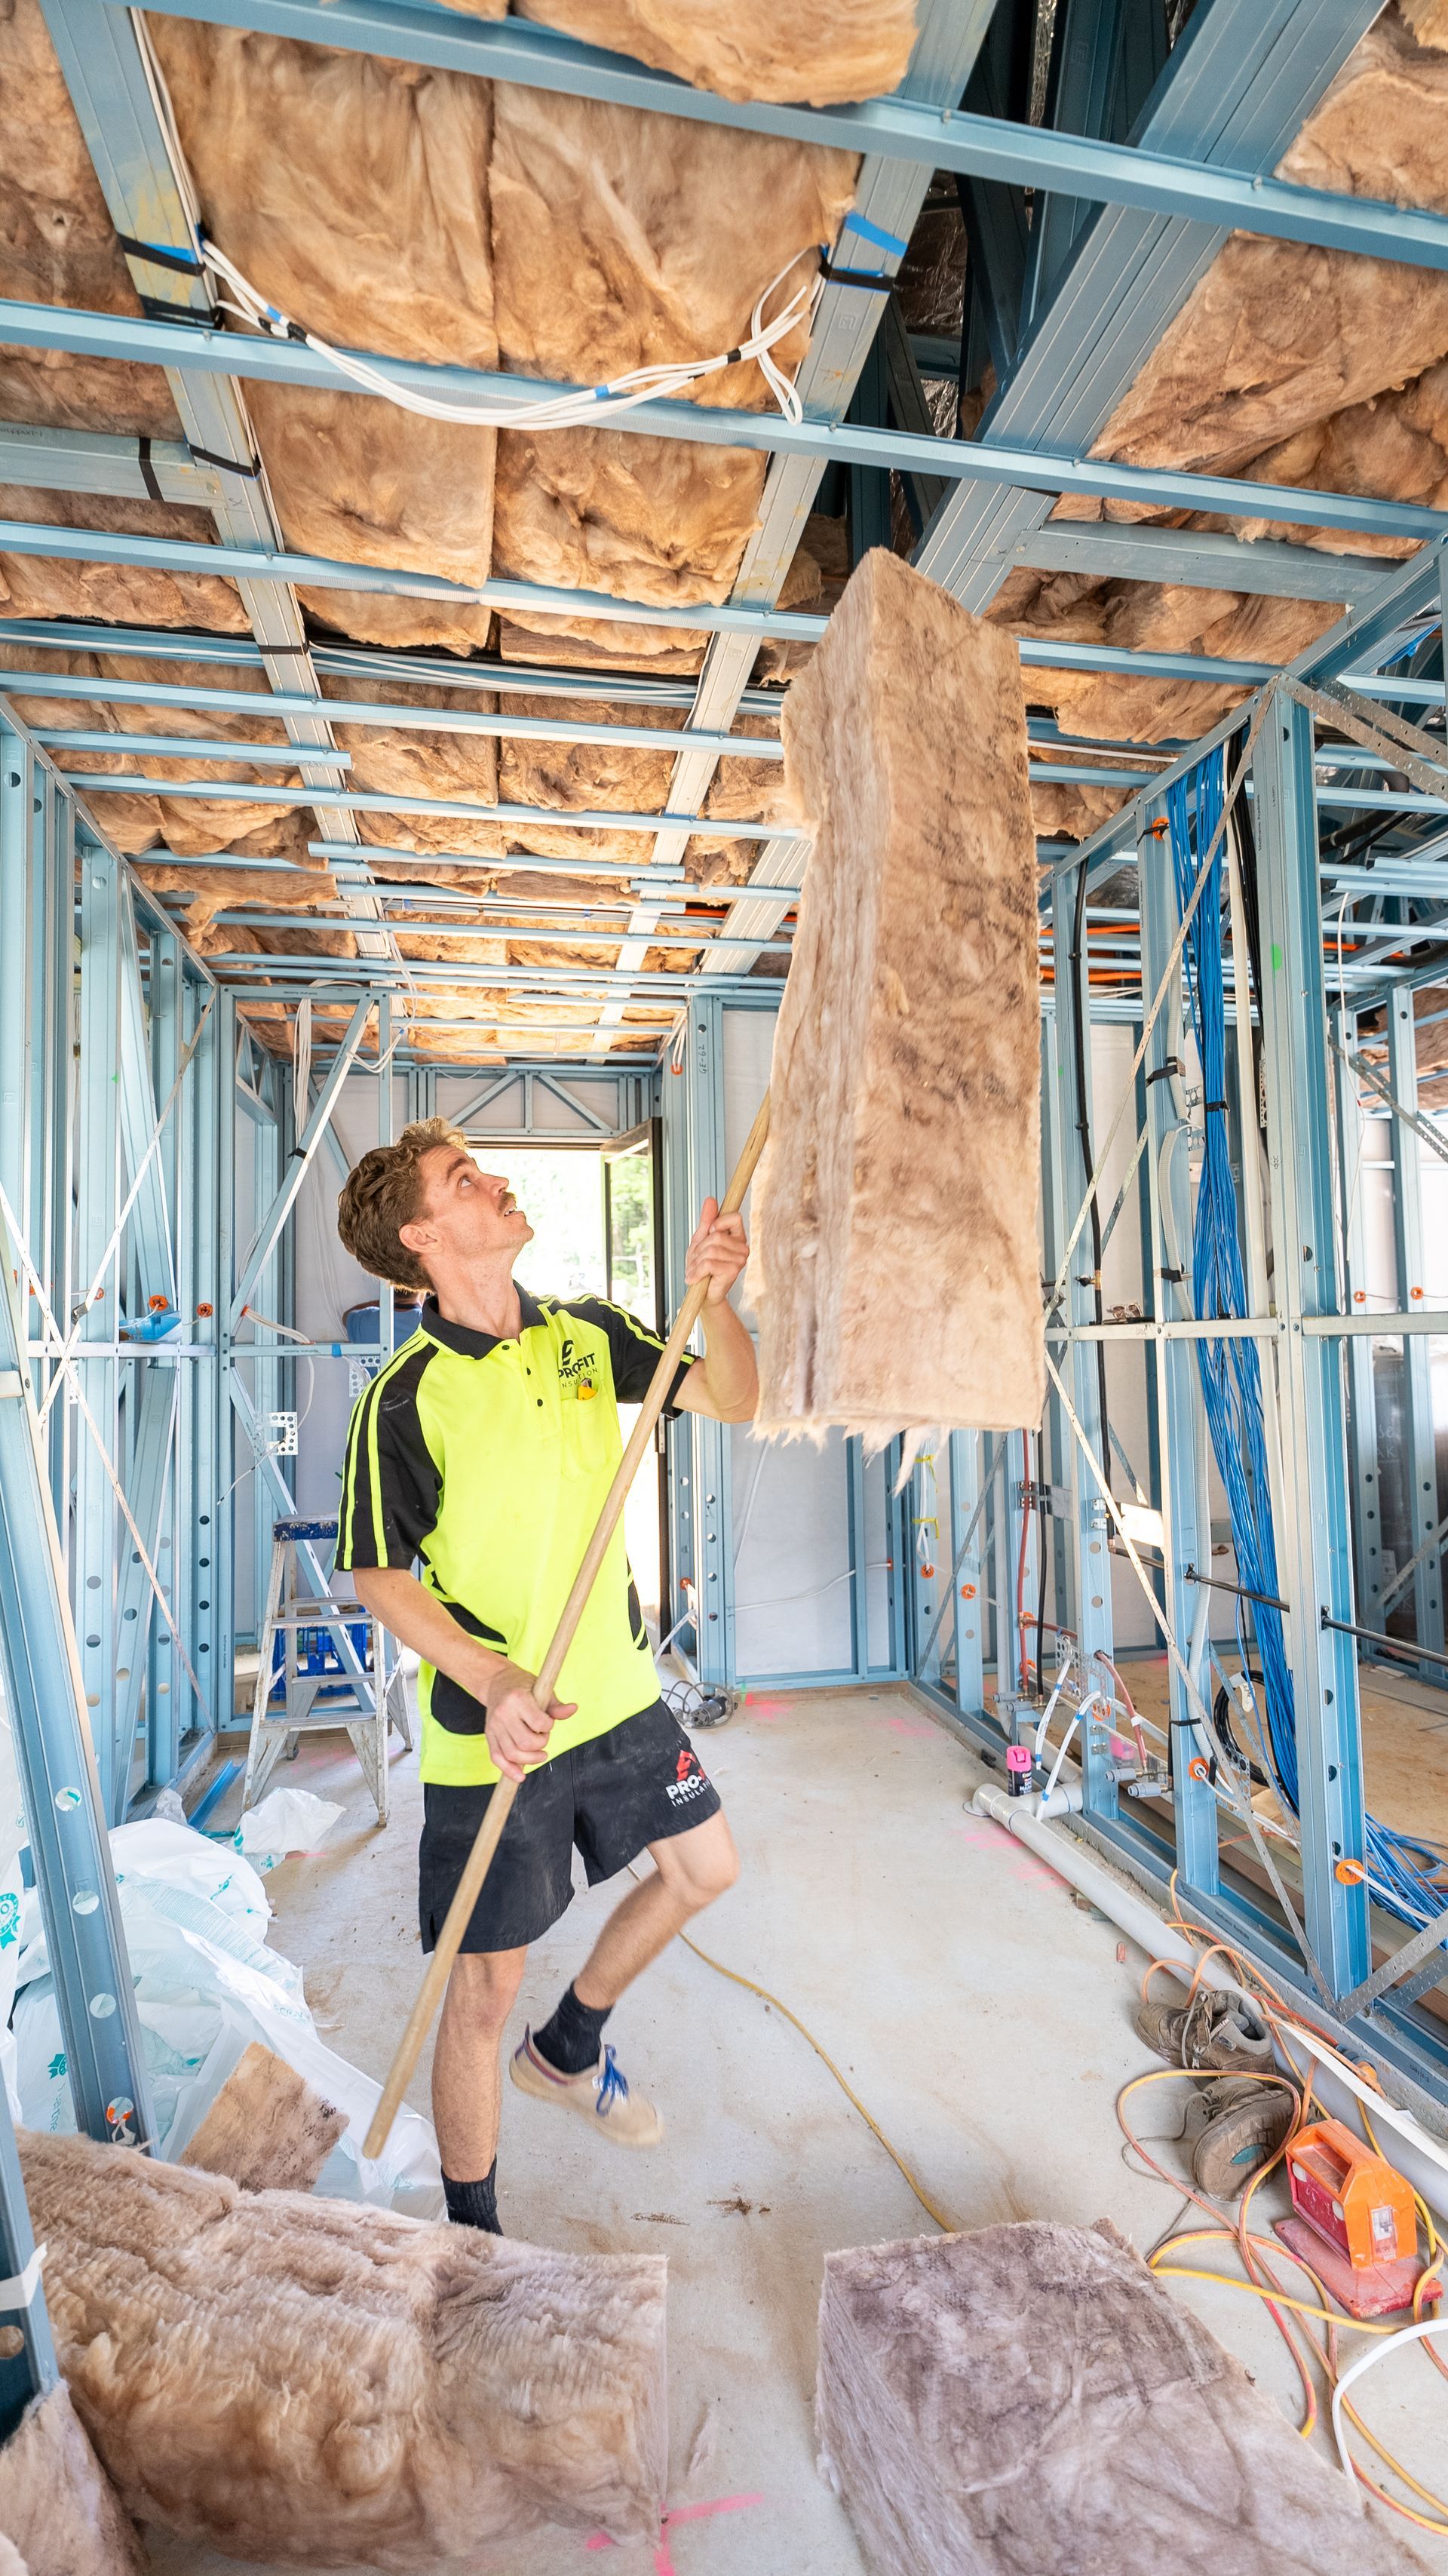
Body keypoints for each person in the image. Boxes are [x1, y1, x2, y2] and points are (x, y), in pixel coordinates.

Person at [333, 1118, 757, 2236]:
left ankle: (568, 2050)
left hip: (613, 1691)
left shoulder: (584, 1333)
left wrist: (715, 1294)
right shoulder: (407, 1396)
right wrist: (490, 1673)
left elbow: (733, 1397)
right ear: (423, 1235)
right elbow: (378, 1573)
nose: (499, 1182)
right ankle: (474, 2239)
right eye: (466, 1180)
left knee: (704, 1867)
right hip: (494, 1725)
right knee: (480, 1991)